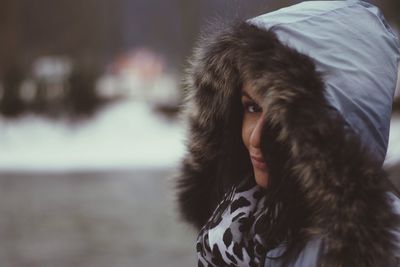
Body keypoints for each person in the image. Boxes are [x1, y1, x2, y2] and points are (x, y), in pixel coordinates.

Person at [175, 1, 400, 266]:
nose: (255, 138)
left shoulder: (375, 252)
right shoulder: (244, 228)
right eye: (252, 107)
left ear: (331, 129)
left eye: (282, 115)